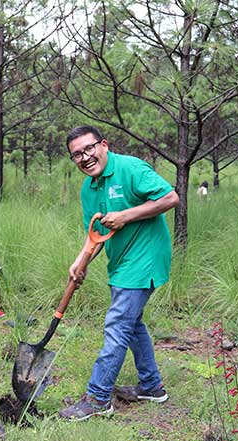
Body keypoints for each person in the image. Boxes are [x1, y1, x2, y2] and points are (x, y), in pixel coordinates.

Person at [59, 126, 180, 421]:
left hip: (146, 257)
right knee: (131, 321)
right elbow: (96, 233)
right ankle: (152, 386)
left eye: (89, 149)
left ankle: (98, 397)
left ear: (103, 145)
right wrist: (81, 261)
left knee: (118, 324)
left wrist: (126, 215)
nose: (85, 157)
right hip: (122, 261)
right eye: (77, 154)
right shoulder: (89, 188)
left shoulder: (130, 168)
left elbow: (170, 198)